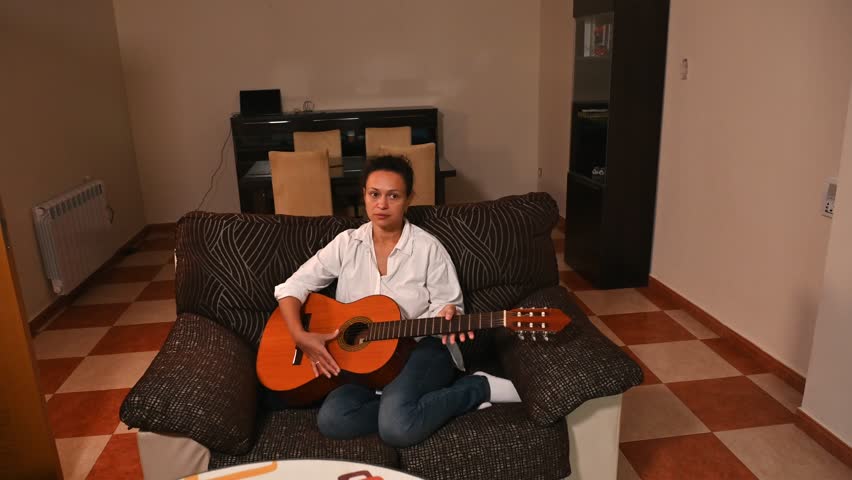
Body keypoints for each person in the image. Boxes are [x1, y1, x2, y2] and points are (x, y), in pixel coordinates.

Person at [273, 155, 519, 448]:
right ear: (363, 194)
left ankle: (476, 387)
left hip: (421, 348)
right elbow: (293, 286)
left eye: (393, 196)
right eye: (374, 194)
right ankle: (404, 404)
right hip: (361, 362)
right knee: (332, 420)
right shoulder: (346, 243)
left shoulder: (428, 248)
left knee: (397, 429)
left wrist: (450, 312)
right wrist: (299, 335)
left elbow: (450, 307)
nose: (382, 204)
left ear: (409, 199)